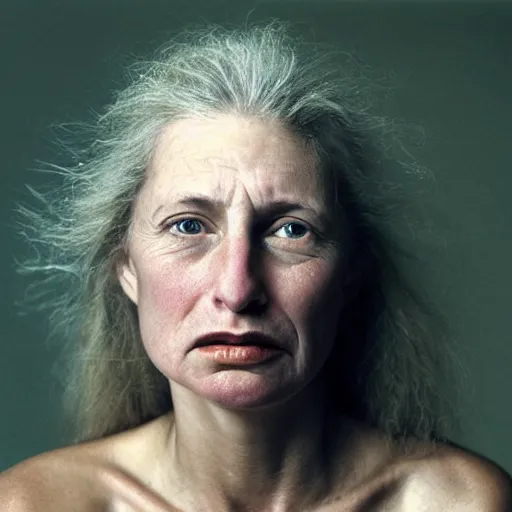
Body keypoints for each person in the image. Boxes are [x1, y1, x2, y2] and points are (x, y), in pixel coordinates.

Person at [1, 19, 510, 511]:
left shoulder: (459, 502)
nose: (238, 288)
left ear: (351, 272)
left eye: (291, 230)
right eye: (189, 226)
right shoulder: (32, 505)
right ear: (127, 269)